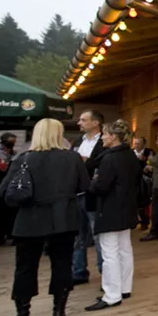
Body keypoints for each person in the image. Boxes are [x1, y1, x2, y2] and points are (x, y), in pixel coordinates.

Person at [0, 119, 89, 316]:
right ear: (60, 134)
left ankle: (22, 315)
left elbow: (3, 191)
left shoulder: (23, 159)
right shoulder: (72, 158)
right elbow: (84, 186)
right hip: (63, 219)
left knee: (25, 268)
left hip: (28, 220)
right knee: (62, 264)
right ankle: (58, 311)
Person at [85, 120, 140, 311]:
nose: (102, 137)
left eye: (105, 134)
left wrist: (93, 182)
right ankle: (124, 288)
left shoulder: (109, 159)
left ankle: (111, 295)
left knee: (109, 253)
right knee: (124, 249)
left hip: (109, 209)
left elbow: (101, 187)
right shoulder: (131, 156)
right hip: (127, 208)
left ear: (113, 136)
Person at [70, 110, 105, 285]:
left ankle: (105, 274)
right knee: (77, 235)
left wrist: (85, 162)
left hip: (94, 196)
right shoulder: (77, 142)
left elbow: (104, 165)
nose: (79, 123)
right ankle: (78, 271)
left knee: (98, 236)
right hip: (76, 194)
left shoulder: (105, 143)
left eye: (83, 120)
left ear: (95, 123)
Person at [133, 137, 155, 230]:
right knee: (134, 201)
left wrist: (146, 164)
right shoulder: (131, 153)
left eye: (138, 143)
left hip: (145, 181)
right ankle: (135, 221)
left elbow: (153, 163)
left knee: (143, 202)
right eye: (135, 143)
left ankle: (144, 222)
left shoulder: (149, 152)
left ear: (143, 144)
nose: (136, 145)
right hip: (133, 180)